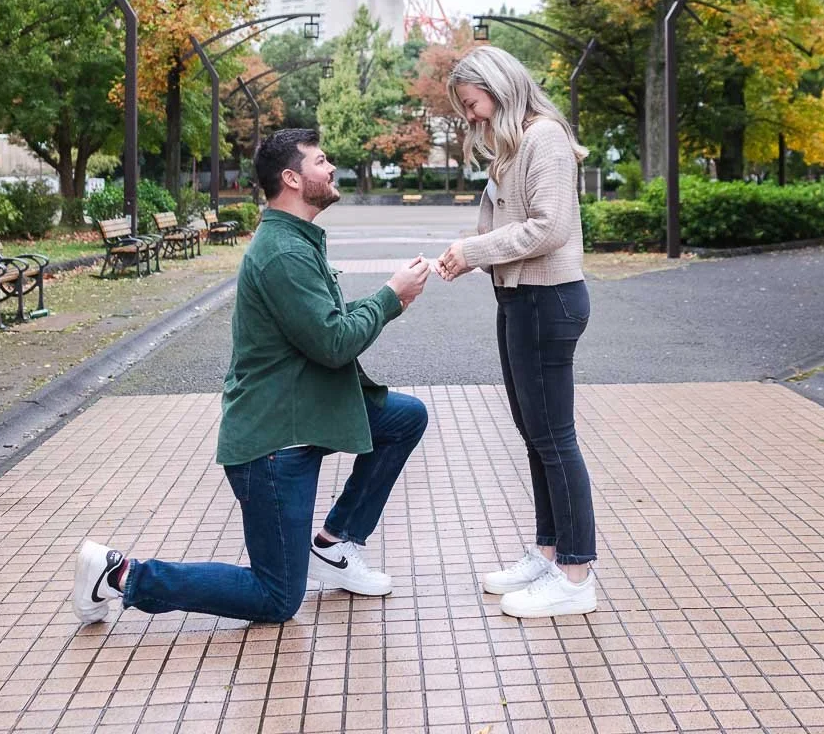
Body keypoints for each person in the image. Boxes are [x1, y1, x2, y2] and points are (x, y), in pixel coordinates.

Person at [70, 128, 432, 625]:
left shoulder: (295, 241)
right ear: (292, 178)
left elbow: (322, 329)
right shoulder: (283, 252)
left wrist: (388, 301)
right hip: (273, 441)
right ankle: (120, 576)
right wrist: (390, 295)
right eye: (321, 161)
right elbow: (332, 343)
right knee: (276, 597)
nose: (331, 169)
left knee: (404, 418)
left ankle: (331, 544)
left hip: (304, 412)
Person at [435, 45, 598, 619]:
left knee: (554, 437)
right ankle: (551, 552)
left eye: (474, 104)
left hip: (546, 299)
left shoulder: (544, 139)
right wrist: (473, 254)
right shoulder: (513, 145)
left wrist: (472, 251)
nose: (472, 117)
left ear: (500, 89)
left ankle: (576, 575)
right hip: (520, 298)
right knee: (536, 433)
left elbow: (550, 227)